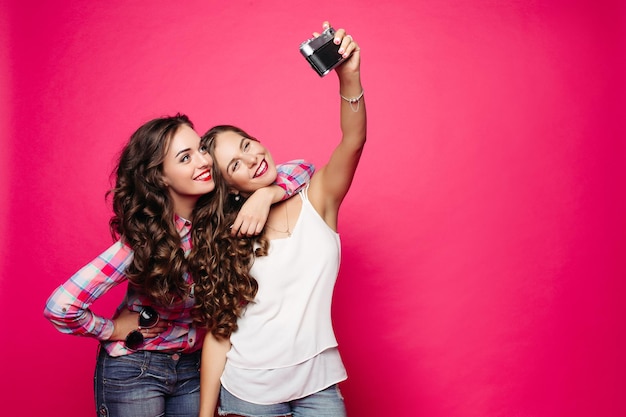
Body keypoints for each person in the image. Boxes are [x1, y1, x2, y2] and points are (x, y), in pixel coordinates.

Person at [43, 113, 313, 417]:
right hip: (136, 368)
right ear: (160, 177)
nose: (203, 161)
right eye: (186, 158)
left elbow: (304, 168)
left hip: (192, 368)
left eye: (201, 149)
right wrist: (112, 329)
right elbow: (61, 307)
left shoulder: (221, 216)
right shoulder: (144, 241)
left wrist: (266, 194)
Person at [193, 21, 366, 417]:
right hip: (247, 392)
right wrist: (206, 414)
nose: (252, 158)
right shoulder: (230, 234)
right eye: (235, 163)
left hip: (319, 386)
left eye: (247, 144)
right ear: (229, 186)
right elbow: (220, 333)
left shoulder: (318, 198)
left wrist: (350, 76)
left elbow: (353, 140)